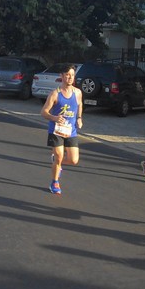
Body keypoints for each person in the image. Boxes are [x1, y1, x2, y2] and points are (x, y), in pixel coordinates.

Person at [40, 64, 83, 195]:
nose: (70, 78)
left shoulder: (77, 92)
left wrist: (79, 118)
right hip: (56, 130)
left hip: (71, 130)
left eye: (72, 75)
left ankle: (57, 163)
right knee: (59, 156)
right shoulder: (55, 94)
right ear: (62, 76)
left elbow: (80, 104)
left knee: (74, 160)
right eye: (67, 75)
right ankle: (54, 182)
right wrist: (54, 117)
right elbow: (43, 112)